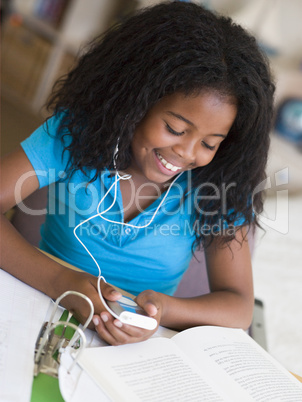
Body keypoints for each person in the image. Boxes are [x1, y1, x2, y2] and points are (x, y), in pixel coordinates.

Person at [0, 1, 274, 346]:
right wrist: (59, 280)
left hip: (135, 345)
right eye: (175, 128)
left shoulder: (218, 183)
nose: (187, 154)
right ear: (135, 101)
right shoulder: (75, 135)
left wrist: (162, 310)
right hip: (41, 306)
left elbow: (238, 306)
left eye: (210, 143)